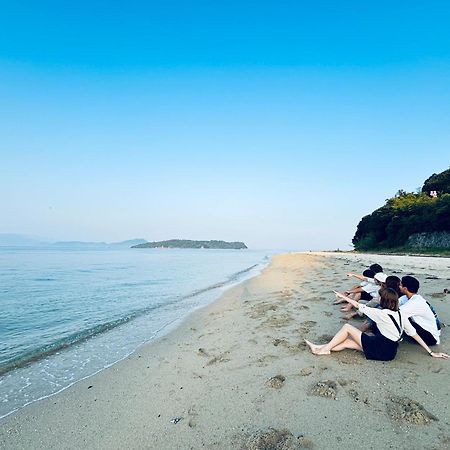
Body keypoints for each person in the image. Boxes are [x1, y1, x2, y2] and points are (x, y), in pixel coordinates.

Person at [306, 288, 449, 361]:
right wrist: (431, 352)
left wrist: (342, 296)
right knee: (346, 343)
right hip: (389, 353)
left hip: (379, 349)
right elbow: (414, 334)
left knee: (347, 328)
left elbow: (358, 305)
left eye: (380, 297)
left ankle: (324, 349)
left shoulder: (381, 314)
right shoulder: (400, 314)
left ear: (384, 300)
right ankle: (322, 348)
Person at [399, 276, 441, 346]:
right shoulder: (407, 298)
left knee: (399, 319)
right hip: (424, 330)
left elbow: (396, 314)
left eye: (400, 285)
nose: (399, 286)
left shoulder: (415, 302)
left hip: (431, 338)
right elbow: (396, 304)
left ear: (405, 288)